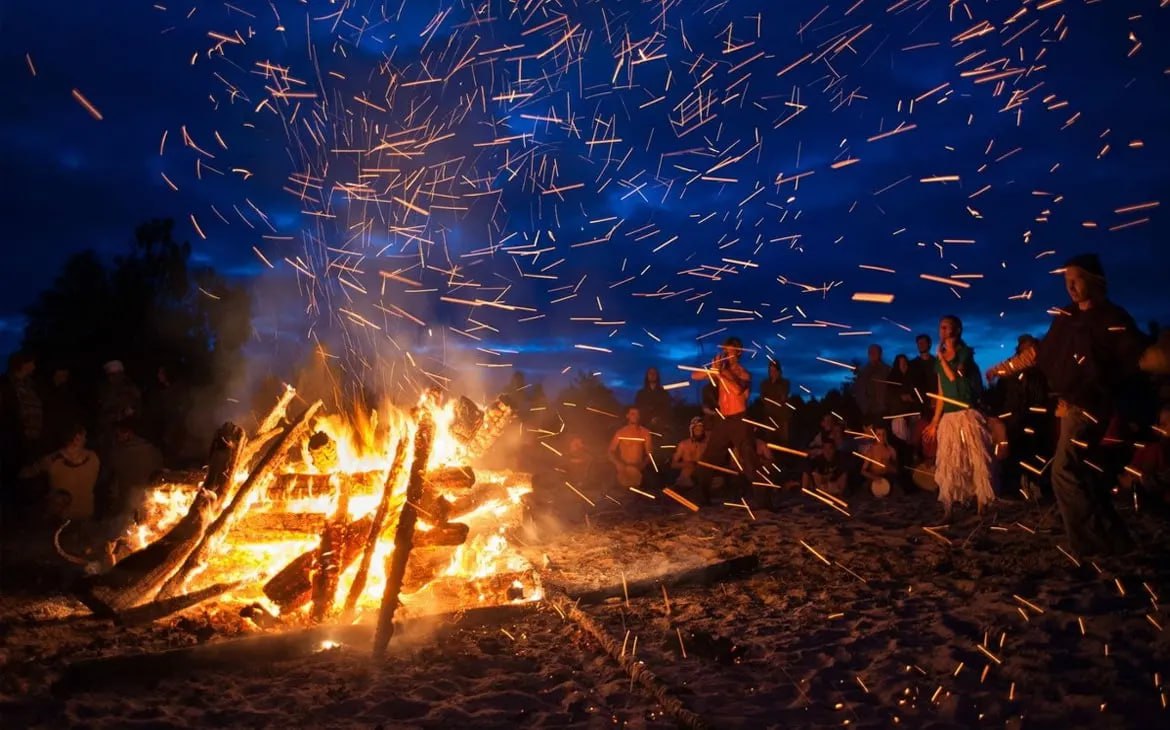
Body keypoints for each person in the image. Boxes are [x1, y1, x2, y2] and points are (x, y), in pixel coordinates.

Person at [987, 254, 1169, 555]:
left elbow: (1138, 356)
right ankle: (1117, 540)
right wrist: (1003, 368)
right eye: (1066, 280)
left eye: (1077, 278)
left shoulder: (1112, 318)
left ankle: (1088, 545)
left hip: (1092, 407)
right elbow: (1040, 353)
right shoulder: (1066, 317)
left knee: (1063, 471)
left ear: (1095, 281)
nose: (1070, 286)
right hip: (1070, 407)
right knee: (1086, 477)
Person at [923, 315, 995, 519]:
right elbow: (941, 393)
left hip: (967, 413)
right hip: (950, 416)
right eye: (941, 327)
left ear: (957, 330)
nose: (943, 331)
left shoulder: (965, 353)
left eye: (947, 327)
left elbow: (954, 376)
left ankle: (982, 504)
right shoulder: (939, 362)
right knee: (949, 461)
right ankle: (948, 508)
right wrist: (935, 422)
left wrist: (941, 357)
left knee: (976, 458)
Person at [690, 337, 759, 505]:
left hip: (740, 419)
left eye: (730, 351)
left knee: (748, 459)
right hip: (723, 419)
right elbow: (694, 376)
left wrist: (720, 373)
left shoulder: (743, 373)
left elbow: (736, 390)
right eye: (725, 351)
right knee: (709, 458)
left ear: (739, 353)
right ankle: (702, 496)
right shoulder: (721, 370)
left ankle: (764, 499)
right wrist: (713, 370)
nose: (726, 354)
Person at [21, 424, 100, 523]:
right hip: (60, 522)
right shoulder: (52, 461)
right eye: (83, 436)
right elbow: (25, 474)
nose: (85, 439)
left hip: (85, 520)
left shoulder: (92, 458)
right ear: (76, 438)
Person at [608, 407, 654, 489]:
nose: (635, 416)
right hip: (623, 469)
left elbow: (649, 453)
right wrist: (618, 463)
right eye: (633, 414)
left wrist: (642, 465)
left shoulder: (645, 433)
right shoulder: (620, 432)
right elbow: (610, 451)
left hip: (638, 469)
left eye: (637, 414)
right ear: (627, 416)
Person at [859, 422, 899, 497]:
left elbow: (896, 469)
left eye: (884, 434)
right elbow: (862, 471)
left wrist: (890, 467)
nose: (882, 437)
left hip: (887, 477)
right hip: (874, 478)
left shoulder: (890, 450)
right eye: (879, 434)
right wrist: (874, 477)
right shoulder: (871, 451)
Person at [853, 344, 891, 419]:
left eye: (875, 352)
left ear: (880, 354)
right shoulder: (863, 372)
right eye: (870, 352)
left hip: (885, 409)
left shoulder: (887, 370)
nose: (872, 354)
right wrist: (865, 409)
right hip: (869, 411)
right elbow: (859, 392)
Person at [759, 360, 792, 446]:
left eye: (774, 371)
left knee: (783, 442)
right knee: (770, 441)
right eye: (771, 371)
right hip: (769, 417)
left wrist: (777, 384)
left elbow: (783, 397)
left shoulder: (785, 383)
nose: (772, 373)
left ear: (779, 371)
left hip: (782, 417)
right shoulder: (764, 383)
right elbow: (763, 399)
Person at [906, 334, 937, 417]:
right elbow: (910, 383)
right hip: (919, 404)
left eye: (923, 343)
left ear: (929, 344)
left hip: (936, 402)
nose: (921, 345)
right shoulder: (912, 364)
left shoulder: (936, 363)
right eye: (919, 343)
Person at [671, 417, 707, 488]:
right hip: (685, 482)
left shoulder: (707, 445)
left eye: (701, 430)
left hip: (702, 481)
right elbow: (673, 464)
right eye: (697, 430)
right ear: (692, 430)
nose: (699, 431)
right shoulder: (683, 444)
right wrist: (689, 464)